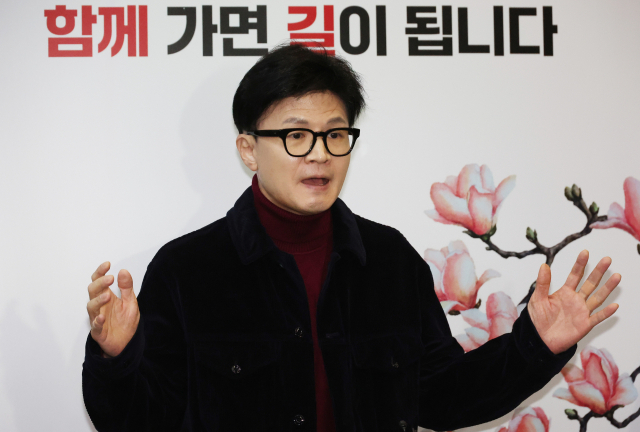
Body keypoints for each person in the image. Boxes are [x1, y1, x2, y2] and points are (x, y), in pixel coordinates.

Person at [82, 44, 621, 432]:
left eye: (335, 134)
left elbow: (443, 396)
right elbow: (140, 420)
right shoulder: (188, 269)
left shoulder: (389, 261)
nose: (320, 154)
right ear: (249, 150)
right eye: (296, 135)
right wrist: (116, 358)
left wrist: (536, 344)